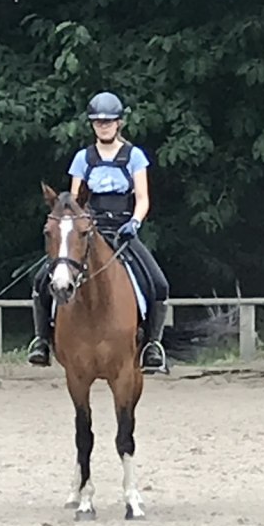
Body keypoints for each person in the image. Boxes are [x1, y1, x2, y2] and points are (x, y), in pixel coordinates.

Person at [27, 91, 171, 373]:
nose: (103, 126)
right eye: (98, 122)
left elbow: (142, 198)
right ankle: (41, 341)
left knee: (158, 282)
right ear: (92, 125)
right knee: (42, 279)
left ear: (119, 123)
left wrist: (135, 223)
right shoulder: (83, 158)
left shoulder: (134, 156)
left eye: (108, 121)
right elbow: (73, 201)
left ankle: (153, 345)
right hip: (88, 229)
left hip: (122, 230)